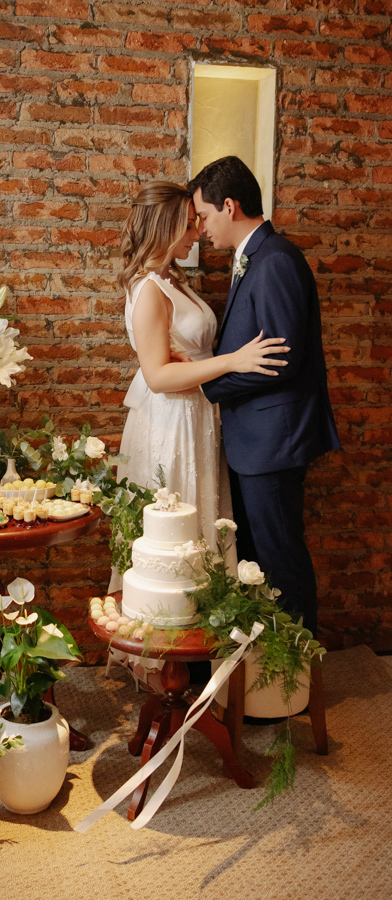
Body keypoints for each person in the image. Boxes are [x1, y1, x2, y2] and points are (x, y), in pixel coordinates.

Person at [188, 156, 340, 634]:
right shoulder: (256, 258)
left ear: (229, 206)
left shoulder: (275, 261)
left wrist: (209, 383)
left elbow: (282, 359)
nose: (203, 229)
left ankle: (297, 678)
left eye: (205, 216)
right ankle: (270, 680)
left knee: (281, 559)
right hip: (257, 440)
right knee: (259, 560)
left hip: (274, 441)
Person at [111, 181, 289, 578]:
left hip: (197, 414)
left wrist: (199, 362)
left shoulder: (172, 281)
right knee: (175, 536)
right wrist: (233, 362)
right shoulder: (149, 290)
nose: (198, 234)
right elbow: (157, 376)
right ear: (166, 227)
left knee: (203, 521)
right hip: (171, 422)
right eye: (190, 226)